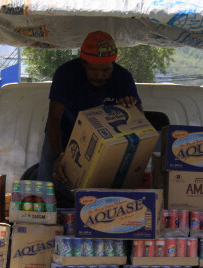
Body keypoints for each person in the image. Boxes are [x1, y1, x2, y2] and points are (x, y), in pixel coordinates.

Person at [36, 31, 142, 206]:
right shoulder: (65, 75)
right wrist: (58, 156)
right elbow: (54, 119)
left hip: (101, 140)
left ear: (113, 64)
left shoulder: (123, 78)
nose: (100, 75)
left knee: (95, 189)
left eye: (106, 70)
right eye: (94, 69)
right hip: (65, 134)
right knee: (49, 181)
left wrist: (131, 108)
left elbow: (139, 119)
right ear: (83, 63)